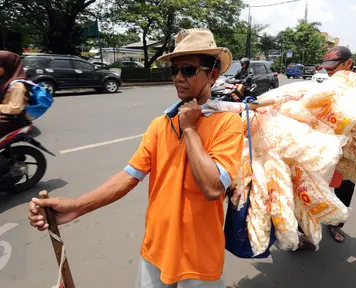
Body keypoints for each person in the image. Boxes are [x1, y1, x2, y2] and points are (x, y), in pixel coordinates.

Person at [28, 28, 244, 288]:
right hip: (156, 250)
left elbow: (211, 187)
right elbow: (129, 176)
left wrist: (189, 128)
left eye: (188, 70)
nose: (178, 78)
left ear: (213, 75)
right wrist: (76, 207)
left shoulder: (227, 124)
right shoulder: (160, 125)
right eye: (174, 70)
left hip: (199, 259)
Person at [319, 46, 355, 243]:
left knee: (344, 188)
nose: (329, 71)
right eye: (326, 67)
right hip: (325, 147)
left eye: (333, 66)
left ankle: (335, 224)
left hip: (350, 151)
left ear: (348, 63)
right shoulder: (326, 87)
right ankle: (306, 227)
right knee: (314, 185)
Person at [0, 51, 29, 137]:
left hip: (8, 121)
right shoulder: (4, 80)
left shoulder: (17, 86)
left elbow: (15, 108)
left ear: (8, 66)